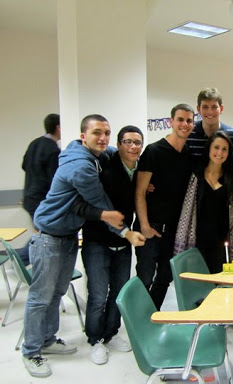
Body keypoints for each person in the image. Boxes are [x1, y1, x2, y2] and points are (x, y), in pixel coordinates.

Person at [21, 114, 145, 378]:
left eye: (107, 133)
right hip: (49, 236)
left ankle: (48, 339)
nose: (103, 139)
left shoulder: (96, 155)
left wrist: (124, 150)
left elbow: (114, 151)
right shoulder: (82, 167)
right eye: (96, 133)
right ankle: (31, 351)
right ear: (82, 136)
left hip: (67, 236)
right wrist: (125, 231)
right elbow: (100, 204)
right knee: (41, 297)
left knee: (55, 294)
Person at [71, 126, 144, 365]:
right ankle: (95, 339)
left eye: (138, 142)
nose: (133, 147)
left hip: (123, 243)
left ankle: (111, 333)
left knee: (118, 293)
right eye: (128, 142)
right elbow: (85, 204)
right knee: (98, 295)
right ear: (119, 145)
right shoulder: (103, 170)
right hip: (98, 242)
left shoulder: (139, 171)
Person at [134, 103, 194, 310]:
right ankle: (138, 323)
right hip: (151, 227)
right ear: (171, 122)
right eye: (180, 119)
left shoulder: (189, 154)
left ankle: (151, 316)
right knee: (144, 279)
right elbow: (140, 191)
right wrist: (144, 226)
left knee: (165, 278)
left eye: (189, 120)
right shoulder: (153, 151)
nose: (184, 124)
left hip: (174, 231)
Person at [174, 131, 233, 273]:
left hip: (221, 242)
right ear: (209, 149)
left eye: (224, 149)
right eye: (216, 147)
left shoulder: (230, 178)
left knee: (220, 286)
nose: (220, 152)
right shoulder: (195, 175)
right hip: (197, 240)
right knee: (199, 284)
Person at [19, 113, 61, 265]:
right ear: (58, 127)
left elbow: (24, 165)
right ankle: (21, 259)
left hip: (29, 195)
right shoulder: (53, 150)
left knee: (40, 232)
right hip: (40, 199)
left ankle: (23, 259)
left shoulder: (34, 143)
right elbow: (55, 180)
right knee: (43, 233)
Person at [187, 87, 233, 162]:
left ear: (221, 109)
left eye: (214, 107)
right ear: (198, 109)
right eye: (205, 107)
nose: (210, 112)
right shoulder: (189, 133)